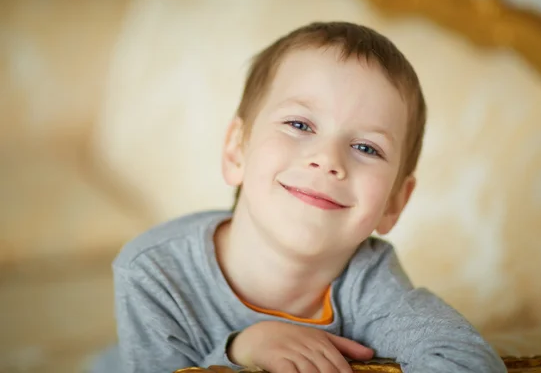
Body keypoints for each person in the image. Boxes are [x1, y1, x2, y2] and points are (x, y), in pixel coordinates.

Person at [91, 22, 507, 373]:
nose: (328, 161)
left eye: (366, 148)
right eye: (300, 124)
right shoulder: (154, 272)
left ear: (395, 202)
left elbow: (469, 362)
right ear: (237, 149)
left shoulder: (370, 282)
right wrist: (240, 351)